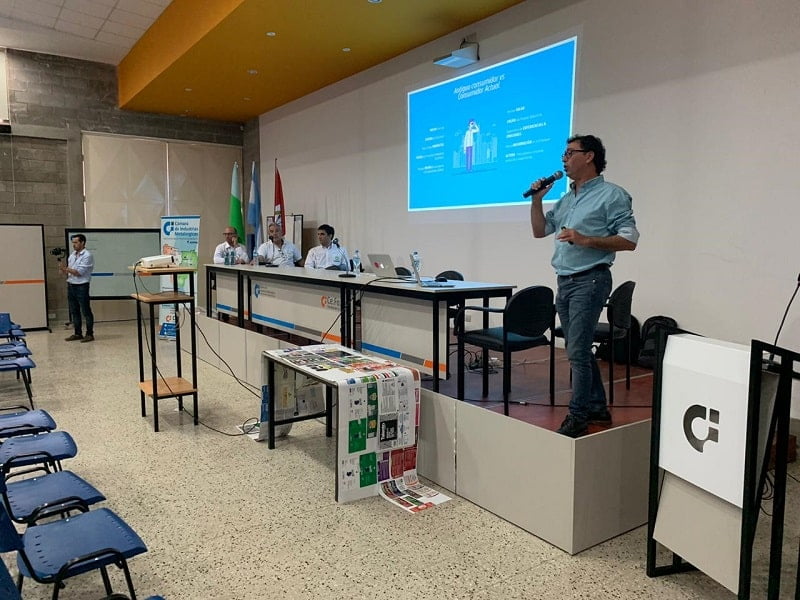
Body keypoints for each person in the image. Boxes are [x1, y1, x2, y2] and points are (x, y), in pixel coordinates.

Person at [529, 134, 639, 438]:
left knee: (577, 352)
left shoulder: (612, 195)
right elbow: (540, 230)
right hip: (565, 280)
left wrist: (586, 239)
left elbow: (629, 239)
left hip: (590, 279)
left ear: (589, 156)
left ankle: (578, 416)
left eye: (569, 153)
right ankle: (597, 409)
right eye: (563, 154)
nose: (563, 159)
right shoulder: (567, 199)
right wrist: (536, 200)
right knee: (578, 349)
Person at [60, 233, 95, 343]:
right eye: (73, 243)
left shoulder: (87, 255)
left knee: (85, 310)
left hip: (81, 286)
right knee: (74, 311)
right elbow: (69, 270)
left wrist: (65, 269)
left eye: (76, 242)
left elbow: (79, 272)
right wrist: (63, 269)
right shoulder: (72, 255)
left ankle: (89, 334)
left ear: (82, 242)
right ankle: (77, 333)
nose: (74, 245)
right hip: (71, 285)